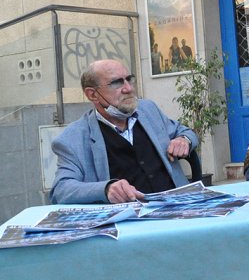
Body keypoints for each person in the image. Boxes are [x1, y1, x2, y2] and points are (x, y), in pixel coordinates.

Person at [50, 59, 198, 204]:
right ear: (92, 94)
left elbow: (184, 131)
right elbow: (61, 190)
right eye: (116, 83)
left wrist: (184, 140)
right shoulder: (73, 139)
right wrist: (106, 189)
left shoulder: (148, 110)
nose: (128, 88)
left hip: (178, 206)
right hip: (128, 220)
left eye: (129, 79)